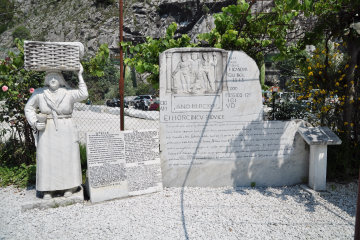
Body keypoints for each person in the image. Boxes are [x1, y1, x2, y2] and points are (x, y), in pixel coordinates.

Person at [24, 64, 88, 200]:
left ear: (61, 79)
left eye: (56, 76)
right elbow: (28, 108)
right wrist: (35, 122)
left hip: (66, 126)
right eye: (50, 77)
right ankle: (48, 189)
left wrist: (80, 75)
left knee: (67, 157)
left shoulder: (68, 92)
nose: (53, 79)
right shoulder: (39, 93)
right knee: (47, 159)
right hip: (47, 128)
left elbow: (84, 94)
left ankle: (69, 186)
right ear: (46, 79)